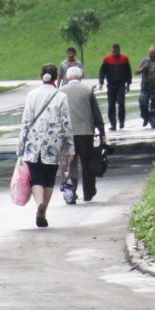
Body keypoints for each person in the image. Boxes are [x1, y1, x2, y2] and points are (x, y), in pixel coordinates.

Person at [16, 64, 72, 229]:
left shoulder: (32, 95)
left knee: (36, 178)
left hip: (34, 144)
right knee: (49, 179)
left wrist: (20, 147)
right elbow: (66, 123)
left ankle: (39, 204)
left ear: (42, 76)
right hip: (53, 145)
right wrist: (70, 148)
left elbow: (26, 122)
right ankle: (44, 210)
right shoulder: (61, 96)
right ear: (56, 78)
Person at [58, 64, 107, 205]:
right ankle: (88, 192)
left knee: (70, 163)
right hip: (86, 133)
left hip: (68, 133)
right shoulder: (87, 90)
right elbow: (96, 113)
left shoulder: (61, 92)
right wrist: (101, 130)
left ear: (67, 78)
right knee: (87, 163)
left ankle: (71, 191)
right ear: (81, 77)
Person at [100, 43, 133, 130]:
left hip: (121, 84)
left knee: (121, 102)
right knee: (111, 105)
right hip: (111, 85)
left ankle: (121, 121)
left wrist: (128, 84)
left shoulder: (125, 59)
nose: (114, 53)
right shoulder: (107, 59)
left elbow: (128, 72)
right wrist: (101, 82)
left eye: (116, 51)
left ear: (119, 50)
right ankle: (113, 124)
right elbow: (102, 71)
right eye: (113, 51)